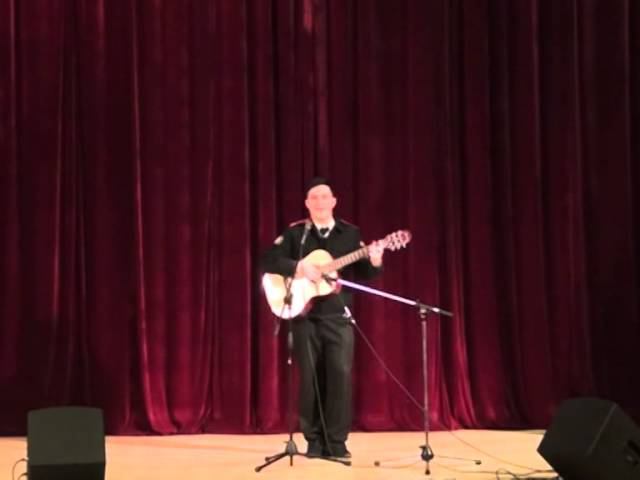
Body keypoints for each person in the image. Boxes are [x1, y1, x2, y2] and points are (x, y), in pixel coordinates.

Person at [262, 177, 384, 459]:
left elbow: (365, 273)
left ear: (334, 201)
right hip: (305, 317)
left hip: (337, 316)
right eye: (314, 198)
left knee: (340, 377)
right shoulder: (296, 233)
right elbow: (269, 261)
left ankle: (336, 443)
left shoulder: (350, 234)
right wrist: (298, 267)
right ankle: (314, 442)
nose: (320, 202)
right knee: (309, 380)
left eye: (324, 197)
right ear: (307, 203)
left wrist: (375, 259)